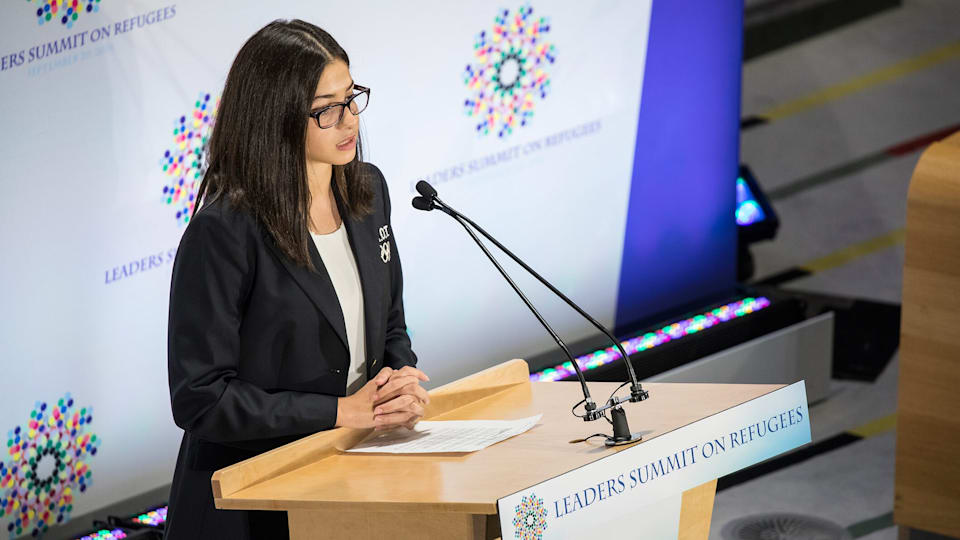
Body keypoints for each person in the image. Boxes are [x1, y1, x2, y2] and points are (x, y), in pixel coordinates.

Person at [163, 19, 430, 540]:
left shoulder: (368, 192)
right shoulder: (223, 233)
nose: (348, 119)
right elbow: (201, 398)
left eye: (352, 99)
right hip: (250, 502)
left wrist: (399, 381)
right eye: (326, 109)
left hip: (352, 480)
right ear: (276, 118)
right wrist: (338, 412)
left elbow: (390, 322)